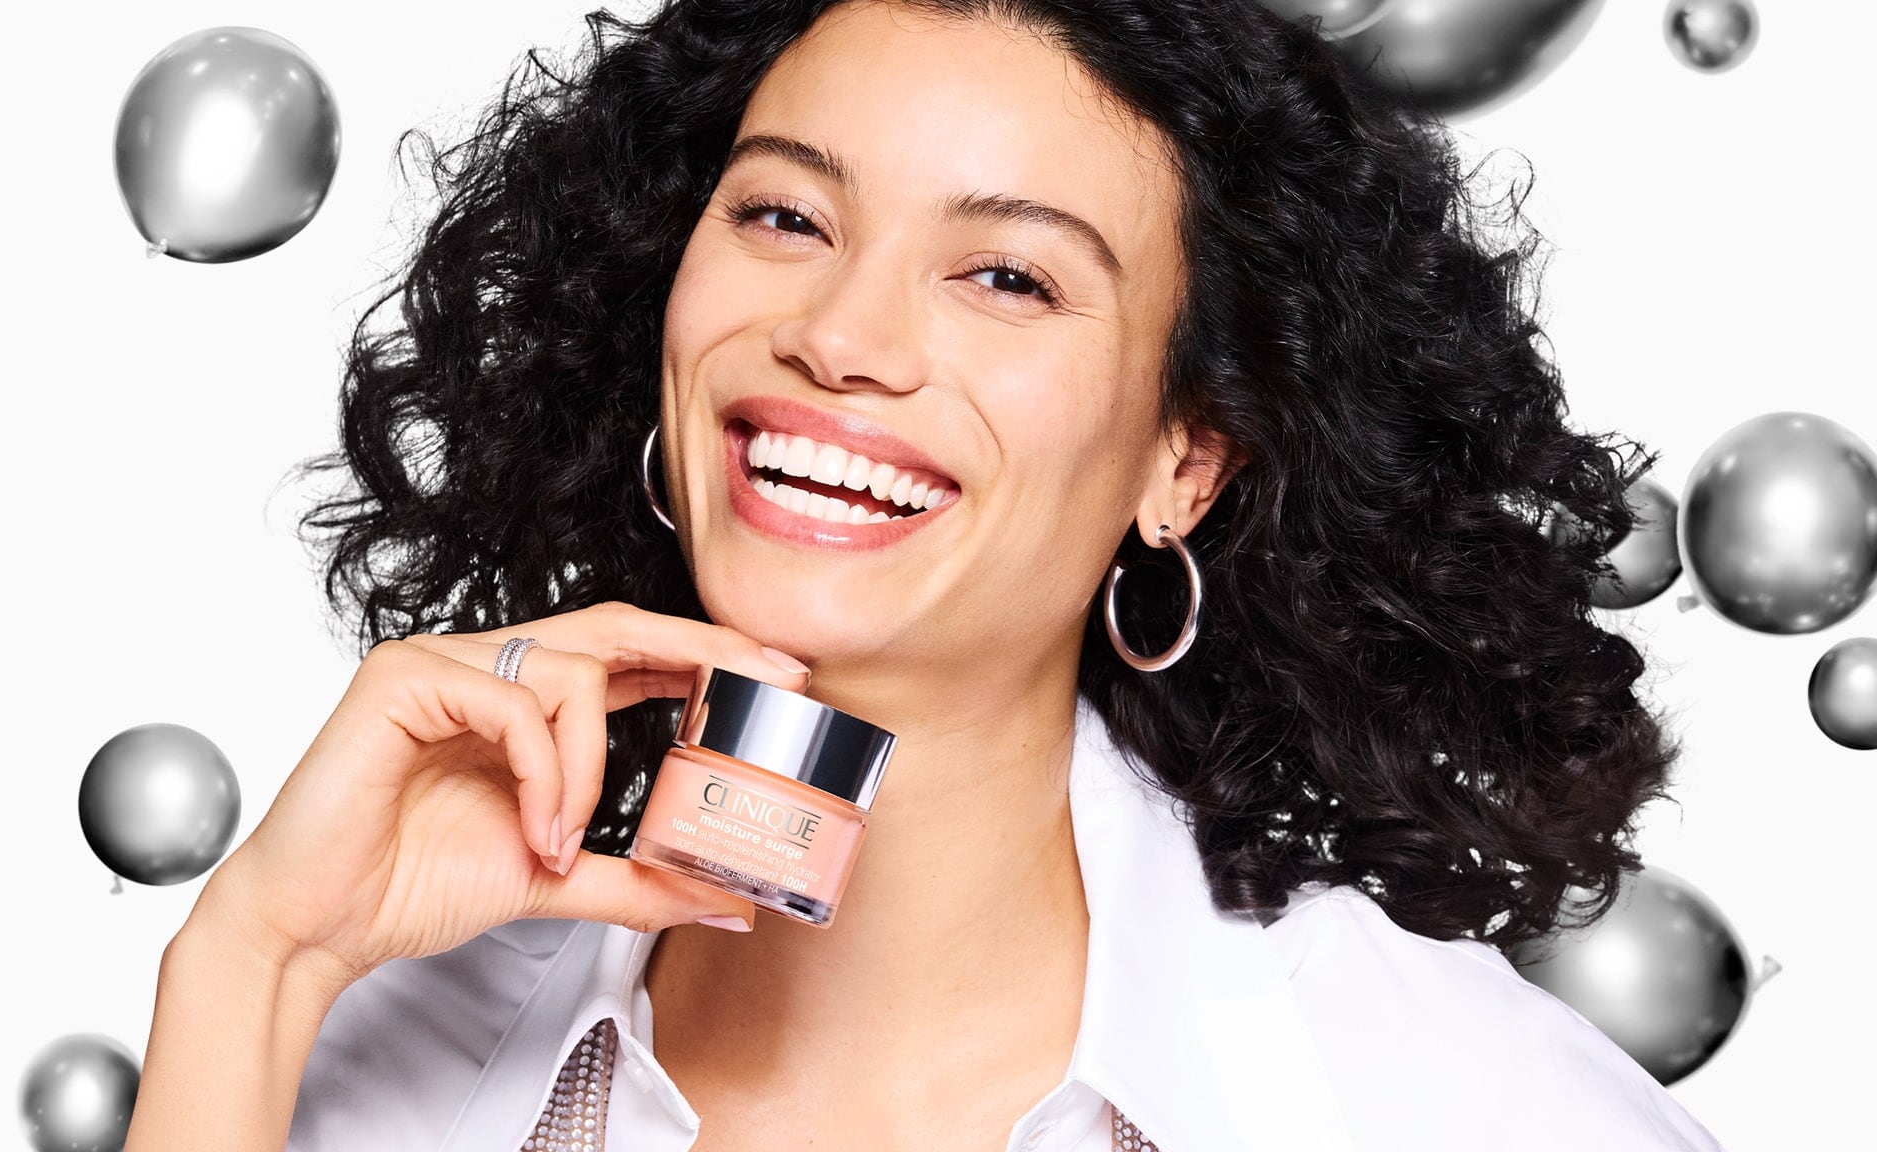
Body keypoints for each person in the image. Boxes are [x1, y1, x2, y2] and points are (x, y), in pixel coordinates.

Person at [128, 1, 1719, 1148]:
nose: (839, 337)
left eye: (1009, 275)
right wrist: (256, 963)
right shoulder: (355, 1044)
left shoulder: (1462, 1111)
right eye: (782, 213)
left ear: (1189, 456)